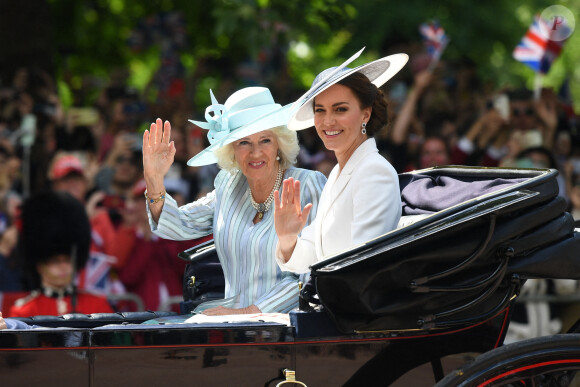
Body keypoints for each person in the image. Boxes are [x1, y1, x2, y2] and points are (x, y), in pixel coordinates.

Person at [143, 87, 326, 315]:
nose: (255, 152)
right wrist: (154, 180)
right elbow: (179, 225)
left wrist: (248, 312)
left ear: (279, 143)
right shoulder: (229, 184)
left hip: (289, 326)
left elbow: (311, 273)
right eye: (244, 142)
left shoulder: (307, 184)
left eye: (265, 140)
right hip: (231, 323)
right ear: (232, 150)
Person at [274, 49, 408, 273]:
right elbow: (316, 254)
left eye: (340, 109)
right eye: (320, 110)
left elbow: (362, 261)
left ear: (365, 114)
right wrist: (288, 238)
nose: (328, 121)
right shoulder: (338, 172)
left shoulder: (374, 171)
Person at [8, 191, 114, 317]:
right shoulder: (24, 310)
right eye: (55, 261)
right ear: (39, 265)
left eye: (68, 260)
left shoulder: (97, 304)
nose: (63, 266)